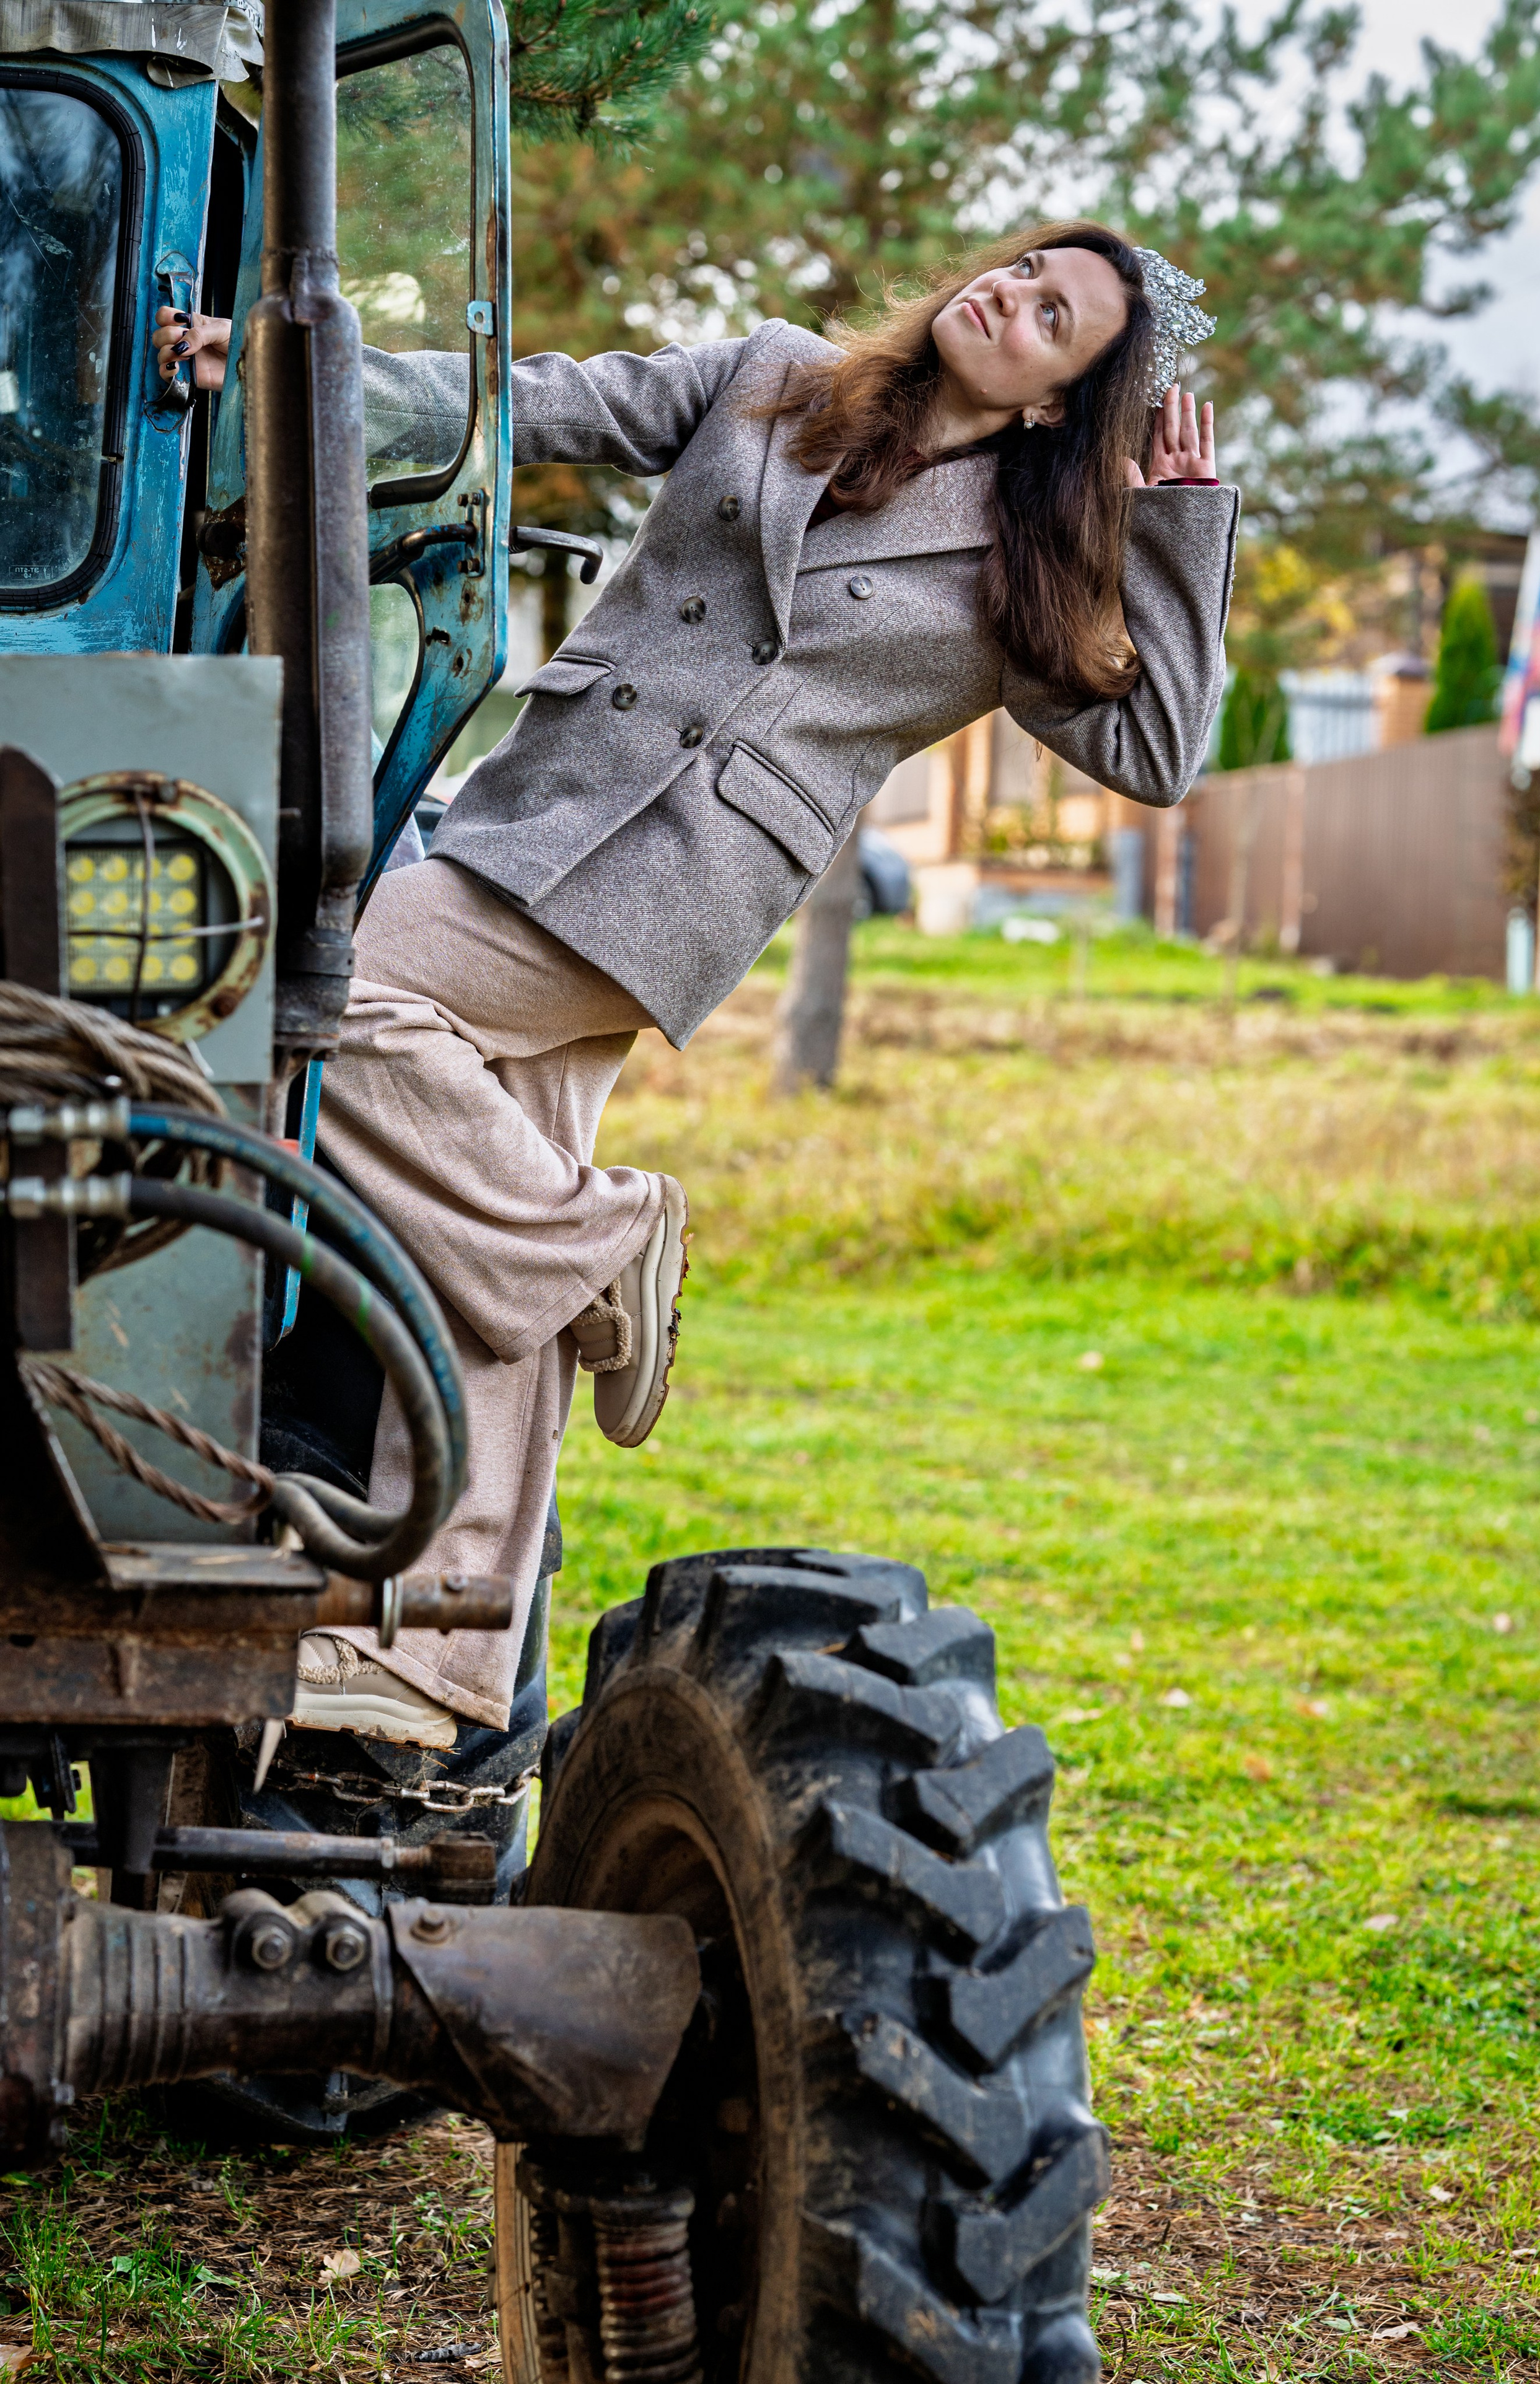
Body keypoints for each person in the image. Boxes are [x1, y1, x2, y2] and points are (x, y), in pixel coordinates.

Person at [154, 222, 1233, 1749]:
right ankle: (445, 1663)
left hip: (672, 892)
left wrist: (1184, 529)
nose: (1004, 293)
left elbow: (1158, 748)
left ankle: (600, 1242)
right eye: (1014, 267)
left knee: (312, 1001)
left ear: (1059, 399)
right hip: (529, 812)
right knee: (477, 1265)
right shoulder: (772, 378)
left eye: (1050, 313)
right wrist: (289, 376)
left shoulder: (1023, 567)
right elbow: (516, 406)